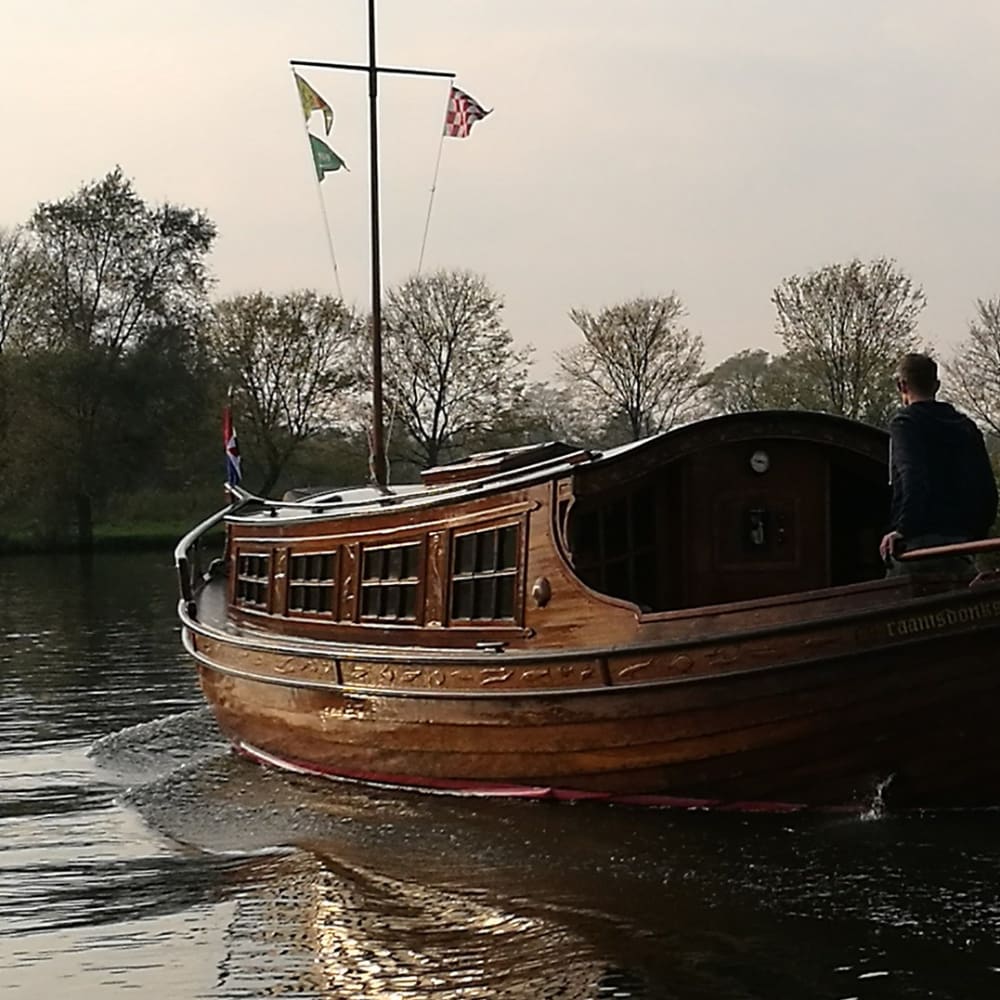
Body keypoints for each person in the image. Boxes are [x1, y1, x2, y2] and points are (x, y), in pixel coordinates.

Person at [879, 352, 998, 575]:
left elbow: (913, 477)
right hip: (960, 547)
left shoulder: (905, 424)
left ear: (902, 385)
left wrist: (903, 529)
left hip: (917, 549)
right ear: (937, 385)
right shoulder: (966, 426)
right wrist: (973, 539)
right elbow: (988, 491)